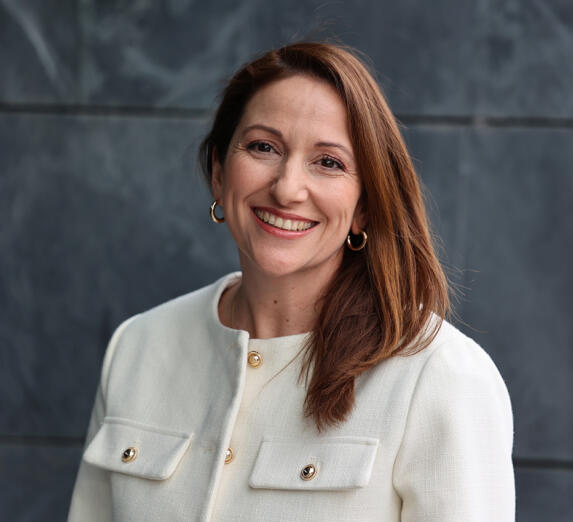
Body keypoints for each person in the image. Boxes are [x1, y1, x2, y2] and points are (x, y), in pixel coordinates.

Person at [68, 42, 515, 521]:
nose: (286, 189)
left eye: (329, 162)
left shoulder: (438, 377)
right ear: (219, 172)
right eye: (263, 147)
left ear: (364, 207)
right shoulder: (138, 347)